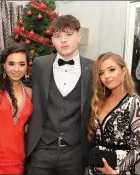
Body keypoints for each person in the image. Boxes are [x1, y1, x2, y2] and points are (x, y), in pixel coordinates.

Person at [25, 14, 94, 175]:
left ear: (78, 36)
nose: (63, 40)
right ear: (52, 40)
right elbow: (24, 92)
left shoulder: (93, 68)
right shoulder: (40, 64)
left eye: (68, 34)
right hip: (41, 149)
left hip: (75, 153)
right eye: (57, 36)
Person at [86, 52, 140, 175]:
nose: (106, 76)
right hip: (94, 169)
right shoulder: (100, 100)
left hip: (119, 170)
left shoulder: (133, 102)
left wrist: (117, 172)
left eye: (111, 70)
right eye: (101, 73)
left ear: (123, 71)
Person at [0, 43, 32, 174]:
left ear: (27, 67)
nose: (16, 69)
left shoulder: (30, 92)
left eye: (21, 64)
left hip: (18, 158)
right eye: (11, 64)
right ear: (4, 66)